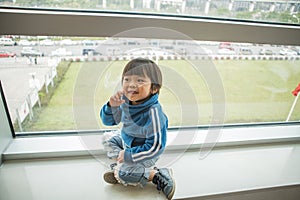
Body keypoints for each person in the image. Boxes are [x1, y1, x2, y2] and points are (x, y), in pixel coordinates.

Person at [100, 58, 175, 199]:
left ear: (154, 88)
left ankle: (155, 174)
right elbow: (108, 121)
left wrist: (129, 155)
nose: (131, 85)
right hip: (128, 143)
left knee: (125, 174)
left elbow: (155, 147)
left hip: (146, 152)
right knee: (107, 138)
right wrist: (111, 106)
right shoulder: (126, 102)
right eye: (127, 79)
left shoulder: (154, 114)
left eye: (140, 80)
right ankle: (123, 167)